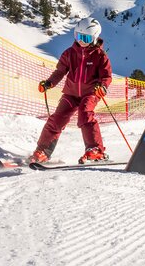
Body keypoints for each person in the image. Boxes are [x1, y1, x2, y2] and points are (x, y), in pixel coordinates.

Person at [31, 18, 113, 165]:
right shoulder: (70, 53)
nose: (81, 41)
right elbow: (60, 71)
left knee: (85, 113)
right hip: (71, 93)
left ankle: (95, 150)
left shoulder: (100, 56)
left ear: (94, 38)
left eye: (86, 38)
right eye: (78, 36)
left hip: (91, 93)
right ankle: (43, 151)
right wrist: (49, 83)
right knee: (57, 118)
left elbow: (106, 76)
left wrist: (103, 87)